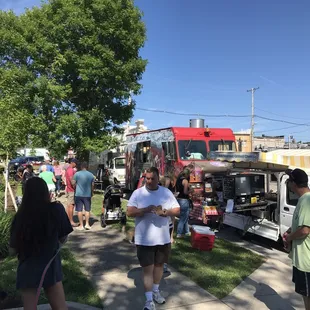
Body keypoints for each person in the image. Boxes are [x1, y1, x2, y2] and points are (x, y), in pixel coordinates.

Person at [9, 177, 73, 310]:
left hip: (27, 269)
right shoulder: (56, 209)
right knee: (60, 307)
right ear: (45, 192)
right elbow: (63, 237)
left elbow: (12, 250)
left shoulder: (20, 216)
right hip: (50, 266)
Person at [127, 167, 180, 310]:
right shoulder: (138, 193)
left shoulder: (166, 192)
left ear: (158, 179)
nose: (149, 181)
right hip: (144, 239)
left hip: (162, 239)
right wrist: (144, 210)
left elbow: (177, 209)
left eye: (152, 179)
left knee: (159, 267)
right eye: (147, 178)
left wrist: (165, 212)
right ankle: (149, 300)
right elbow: (129, 212)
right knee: (147, 270)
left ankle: (156, 291)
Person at [284, 168, 310, 310]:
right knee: (305, 296)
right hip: (302, 259)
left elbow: (305, 230)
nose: (288, 184)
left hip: (307, 261)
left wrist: (289, 238)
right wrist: (290, 230)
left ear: (294, 184)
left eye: (289, 181)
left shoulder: (307, 200)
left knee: (308, 296)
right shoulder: (304, 199)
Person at [72, 162, 95, 231]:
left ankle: (81, 225)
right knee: (87, 210)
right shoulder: (91, 175)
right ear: (87, 167)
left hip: (78, 194)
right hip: (87, 194)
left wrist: (75, 186)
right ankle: (87, 224)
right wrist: (92, 192)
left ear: (81, 167)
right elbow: (92, 185)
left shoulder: (77, 174)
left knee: (79, 210)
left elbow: (73, 183)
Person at [175, 168, 191, 238]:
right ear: (187, 174)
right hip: (184, 200)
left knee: (185, 217)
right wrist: (191, 191)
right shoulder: (185, 181)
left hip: (178, 199)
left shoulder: (178, 180)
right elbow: (185, 192)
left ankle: (187, 231)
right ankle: (179, 233)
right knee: (183, 218)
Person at [65, 158, 78, 227]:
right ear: (72, 162)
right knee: (71, 206)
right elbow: (72, 180)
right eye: (75, 163)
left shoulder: (69, 169)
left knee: (69, 205)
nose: (76, 165)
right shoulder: (70, 170)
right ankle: (71, 221)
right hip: (71, 191)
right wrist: (76, 187)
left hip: (69, 190)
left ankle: (68, 220)